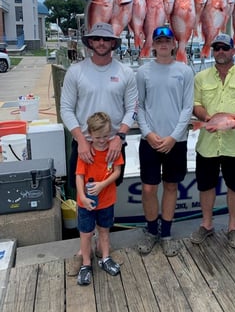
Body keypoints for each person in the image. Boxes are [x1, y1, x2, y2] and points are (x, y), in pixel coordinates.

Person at [60, 22, 138, 271]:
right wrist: (81, 140)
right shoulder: (76, 71)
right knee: (82, 194)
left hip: (113, 144)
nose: (102, 43)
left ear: (114, 43)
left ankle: (104, 245)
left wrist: (120, 136)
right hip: (85, 145)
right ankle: (85, 246)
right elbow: (66, 109)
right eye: (97, 39)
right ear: (90, 42)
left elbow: (132, 109)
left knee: (107, 194)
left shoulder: (126, 73)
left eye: (107, 39)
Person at [190, 33, 235, 248]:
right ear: (212, 51)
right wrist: (206, 119)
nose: (220, 51)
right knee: (206, 186)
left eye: (225, 47)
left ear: (233, 50)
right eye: (217, 48)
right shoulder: (200, 77)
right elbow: (196, 105)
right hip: (208, 144)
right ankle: (207, 224)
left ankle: (233, 227)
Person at [136, 26, 194, 257]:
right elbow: (139, 106)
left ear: (174, 45)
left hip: (176, 141)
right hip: (149, 139)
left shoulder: (185, 71)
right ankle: (152, 231)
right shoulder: (143, 72)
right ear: (153, 44)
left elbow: (187, 107)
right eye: (158, 40)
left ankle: (167, 233)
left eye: (167, 40)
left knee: (171, 186)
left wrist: (173, 137)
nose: (162, 44)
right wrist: (149, 133)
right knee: (149, 188)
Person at [76, 112, 124, 285]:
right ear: (90, 135)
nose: (102, 140)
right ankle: (86, 264)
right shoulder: (86, 152)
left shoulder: (114, 150)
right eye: (97, 137)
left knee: (104, 231)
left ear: (110, 132)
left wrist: (102, 185)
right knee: (86, 233)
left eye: (105, 136)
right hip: (86, 202)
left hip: (106, 200)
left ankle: (105, 258)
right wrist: (82, 196)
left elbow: (117, 172)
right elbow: (79, 176)